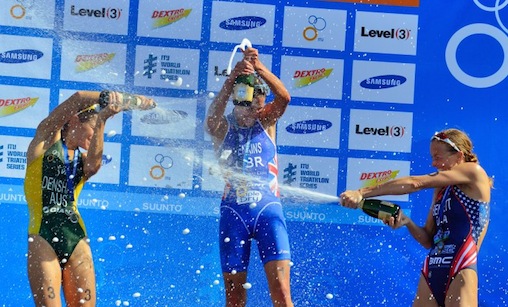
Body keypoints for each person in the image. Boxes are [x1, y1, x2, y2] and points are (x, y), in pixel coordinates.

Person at [24, 90, 155, 306]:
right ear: (75, 120)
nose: (95, 135)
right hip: (42, 236)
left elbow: (94, 166)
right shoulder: (45, 141)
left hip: (76, 236)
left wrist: (102, 120)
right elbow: (77, 98)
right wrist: (118, 98)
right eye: (93, 129)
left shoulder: (82, 159)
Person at [340, 128, 491, 307]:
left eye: (438, 157)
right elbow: (428, 239)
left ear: (458, 156)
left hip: (461, 267)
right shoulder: (441, 189)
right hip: (433, 268)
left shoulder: (474, 172)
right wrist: (407, 222)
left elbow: (415, 183)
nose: (433, 163)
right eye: (432, 157)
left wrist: (361, 192)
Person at [205, 47, 293, 306]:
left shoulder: (266, 121)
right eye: (248, 104)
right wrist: (232, 78)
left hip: (268, 211)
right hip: (234, 215)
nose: (253, 111)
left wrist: (258, 66)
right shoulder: (223, 126)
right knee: (234, 299)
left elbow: (285, 98)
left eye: (259, 105)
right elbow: (211, 120)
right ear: (237, 100)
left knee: (282, 293)